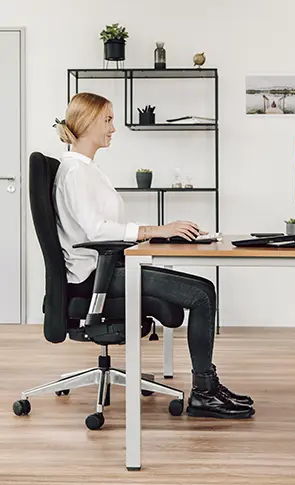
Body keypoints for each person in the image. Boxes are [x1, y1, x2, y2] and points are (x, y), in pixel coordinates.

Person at [52, 92, 255, 419]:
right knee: (202, 294)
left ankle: (209, 387)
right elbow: (95, 231)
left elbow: (105, 227)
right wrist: (155, 230)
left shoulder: (86, 169)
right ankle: (205, 393)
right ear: (87, 122)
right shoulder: (75, 172)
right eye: (107, 120)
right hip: (97, 278)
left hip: (109, 269)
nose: (113, 128)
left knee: (203, 289)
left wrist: (163, 232)